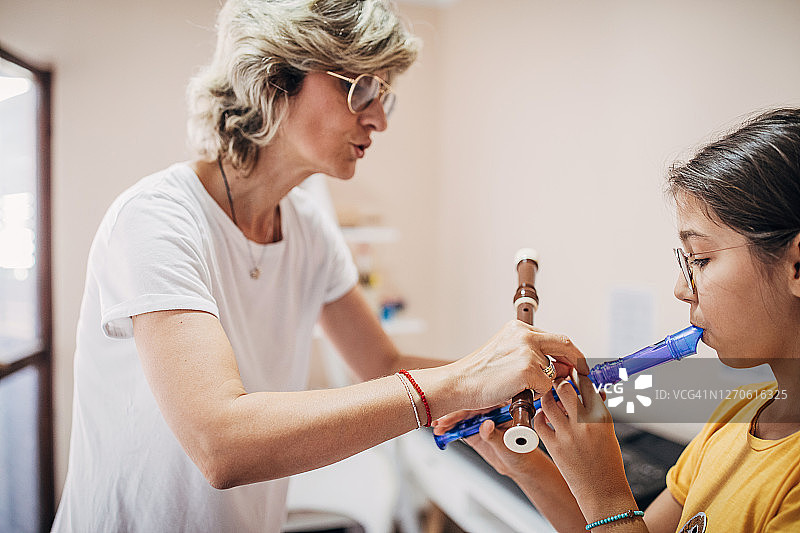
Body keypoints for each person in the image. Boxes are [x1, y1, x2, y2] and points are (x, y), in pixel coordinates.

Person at [51, 1, 587, 532]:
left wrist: (507, 375)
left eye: (383, 97)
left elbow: (382, 362)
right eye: (361, 89)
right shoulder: (156, 220)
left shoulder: (307, 228)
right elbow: (221, 445)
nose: (378, 119)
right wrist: (461, 381)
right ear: (274, 81)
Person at [437, 108, 800, 532]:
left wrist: (605, 491)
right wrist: (525, 464)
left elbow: (612, 517)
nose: (681, 289)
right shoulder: (742, 411)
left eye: (701, 259)